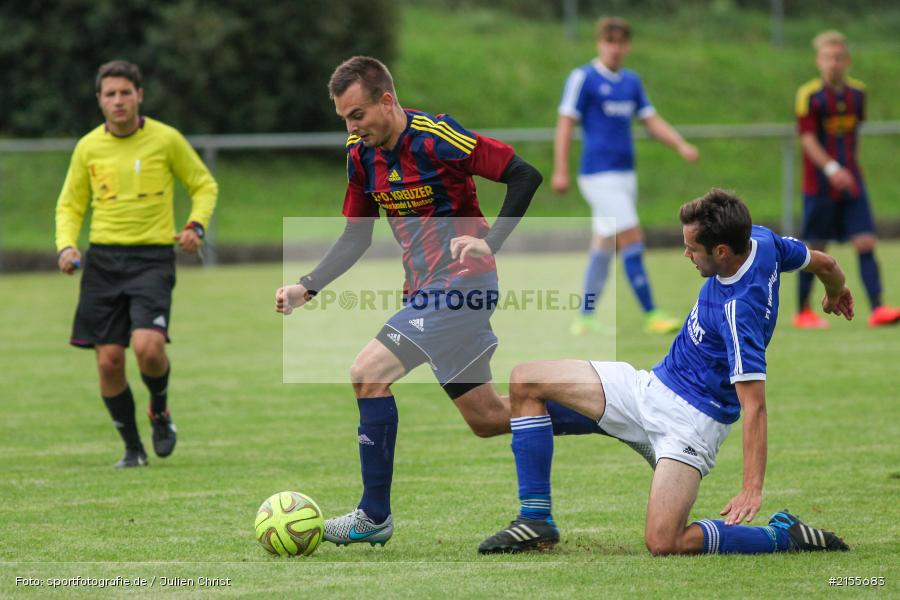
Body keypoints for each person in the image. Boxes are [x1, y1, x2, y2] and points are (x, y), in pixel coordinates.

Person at [275, 56, 612, 548]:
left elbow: (525, 174)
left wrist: (489, 243)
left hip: (462, 287)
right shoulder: (360, 154)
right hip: (424, 294)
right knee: (489, 418)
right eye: (344, 119)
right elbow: (356, 236)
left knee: (367, 374)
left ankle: (373, 516)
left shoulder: (437, 136)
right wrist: (308, 286)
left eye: (357, 115)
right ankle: (623, 418)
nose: (351, 127)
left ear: (386, 101)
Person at [479, 189, 851, 555]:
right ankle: (535, 520)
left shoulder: (739, 311)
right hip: (648, 388)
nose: (685, 253)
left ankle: (782, 536)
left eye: (693, 248)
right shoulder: (759, 239)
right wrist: (837, 291)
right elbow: (826, 264)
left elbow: (755, 406)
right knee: (527, 379)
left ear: (722, 252)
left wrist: (751, 487)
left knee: (664, 541)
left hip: (690, 425)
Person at [55, 60, 218, 468]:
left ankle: (159, 411)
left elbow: (203, 184)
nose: (118, 100)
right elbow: (70, 204)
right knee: (109, 359)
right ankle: (132, 449)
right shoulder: (88, 147)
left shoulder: (166, 139)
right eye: (110, 94)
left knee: (148, 347)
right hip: (103, 261)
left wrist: (195, 226)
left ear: (139, 95)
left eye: (125, 92)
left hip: (152, 258)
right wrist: (65, 246)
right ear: (99, 101)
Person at [553, 17, 699, 336]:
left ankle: (585, 318)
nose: (615, 48)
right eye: (609, 41)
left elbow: (651, 119)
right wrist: (560, 169)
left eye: (620, 42)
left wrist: (680, 144)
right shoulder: (584, 78)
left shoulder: (631, 82)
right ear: (599, 43)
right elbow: (565, 124)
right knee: (632, 236)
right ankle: (651, 313)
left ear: (628, 46)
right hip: (597, 174)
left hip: (624, 175)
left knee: (604, 243)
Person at [793, 30, 900, 329]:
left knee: (866, 240)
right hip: (820, 183)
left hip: (852, 181)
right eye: (828, 58)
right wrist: (831, 169)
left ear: (847, 61)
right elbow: (808, 139)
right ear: (818, 61)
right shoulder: (809, 96)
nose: (833, 64)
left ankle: (878, 308)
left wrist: (849, 168)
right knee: (814, 246)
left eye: (839, 58)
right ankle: (803, 311)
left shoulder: (858, 94)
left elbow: (854, 136)